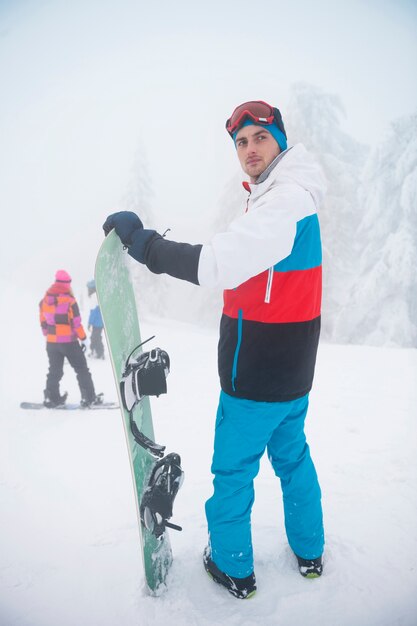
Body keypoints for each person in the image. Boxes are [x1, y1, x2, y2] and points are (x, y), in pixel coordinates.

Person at [103, 100, 326, 599]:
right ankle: (310, 553)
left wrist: (144, 244)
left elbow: (216, 265)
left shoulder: (284, 201)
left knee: (232, 473)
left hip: (256, 379)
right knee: (293, 460)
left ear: (281, 142)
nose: (249, 149)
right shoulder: (290, 195)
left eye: (260, 138)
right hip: (291, 375)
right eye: (241, 142)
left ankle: (232, 567)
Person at [39, 269, 103, 408]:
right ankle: (89, 397)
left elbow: (43, 322)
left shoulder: (45, 300)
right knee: (81, 369)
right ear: (66, 283)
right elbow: (76, 323)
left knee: (54, 371)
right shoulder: (70, 301)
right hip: (69, 342)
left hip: (51, 343)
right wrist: (84, 338)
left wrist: (49, 335)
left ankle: (51, 397)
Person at [86, 279, 105, 359]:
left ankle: (99, 353)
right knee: (95, 337)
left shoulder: (94, 297)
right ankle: (96, 351)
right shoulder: (99, 295)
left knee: (95, 337)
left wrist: (90, 323)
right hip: (100, 322)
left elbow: (93, 313)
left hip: (97, 322)